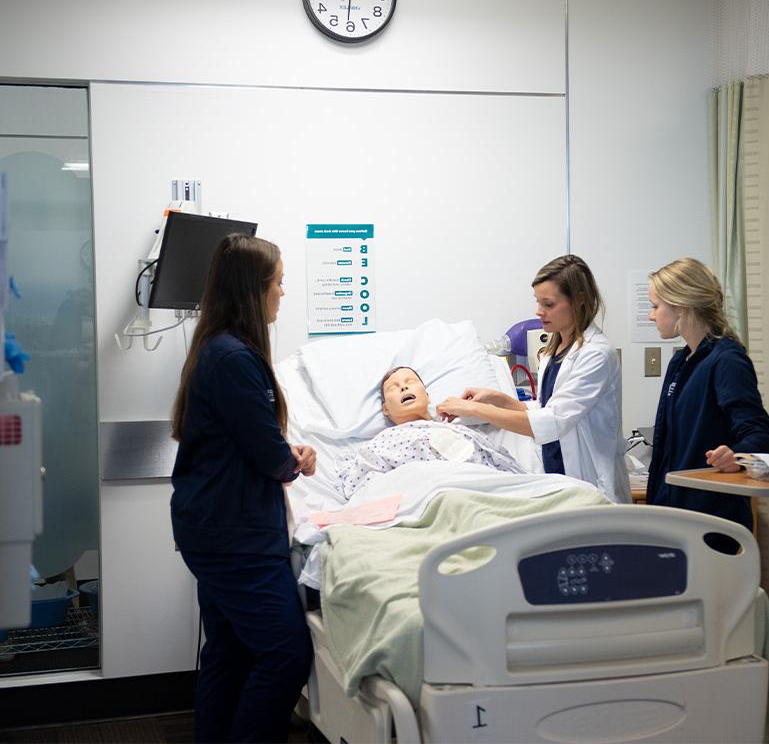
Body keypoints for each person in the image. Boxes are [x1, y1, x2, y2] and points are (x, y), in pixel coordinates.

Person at [169, 234, 317, 743]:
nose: (283, 294)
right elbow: (268, 455)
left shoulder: (218, 349)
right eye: (278, 284)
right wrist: (293, 459)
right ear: (254, 291)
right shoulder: (235, 358)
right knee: (286, 655)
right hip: (235, 540)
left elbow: (248, 440)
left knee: (228, 655)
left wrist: (282, 454)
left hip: (214, 529)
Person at [436, 255, 628, 502]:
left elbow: (553, 421)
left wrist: (474, 409)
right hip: (557, 477)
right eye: (538, 302)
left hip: (591, 479)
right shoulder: (555, 348)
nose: (539, 312)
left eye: (548, 304)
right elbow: (545, 409)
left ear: (579, 299)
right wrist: (496, 399)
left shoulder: (596, 354)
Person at [645, 257, 769, 533]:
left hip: (712, 519)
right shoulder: (681, 362)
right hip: (674, 513)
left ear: (680, 306)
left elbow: (760, 438)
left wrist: (736, 454)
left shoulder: (726, 359)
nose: (651, 315)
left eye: (656, 306)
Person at [334, 365, 523, 500]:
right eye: (394, 387)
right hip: (429, 500)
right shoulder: (381, 442)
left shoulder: (462, 431)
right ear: (385, 409)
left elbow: (503, 466)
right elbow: (363, 488)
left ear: (428, 396)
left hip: (486, 493)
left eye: (411, 381)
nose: (403, 387)